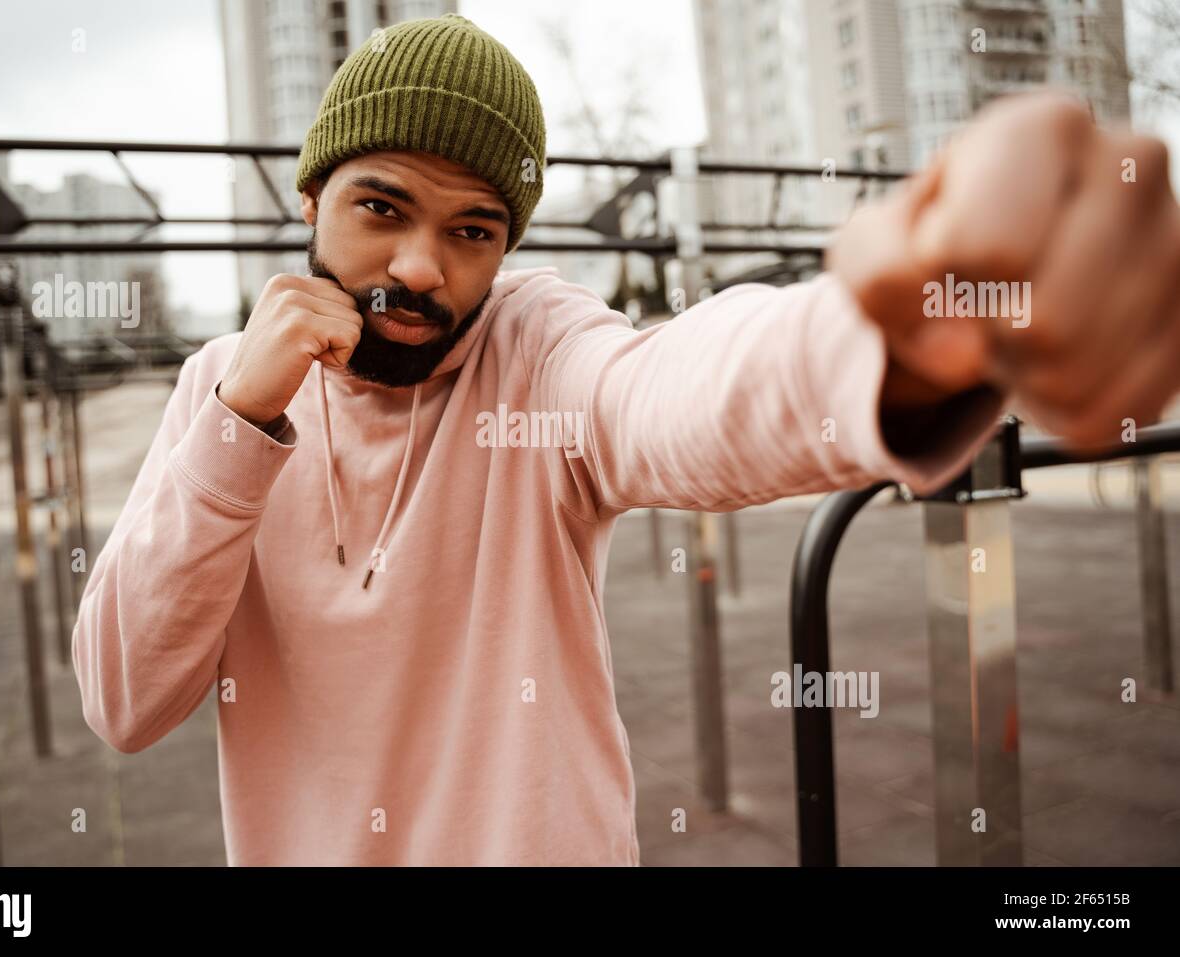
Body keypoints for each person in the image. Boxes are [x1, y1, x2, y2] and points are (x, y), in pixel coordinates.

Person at [72, 13, 1180, 865]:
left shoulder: (536, 350)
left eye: (471, 231)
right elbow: (126, 700)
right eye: (380, 207)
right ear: (312, 197)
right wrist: (237, 430)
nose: (420, 266)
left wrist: (902, 338)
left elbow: (675, 392)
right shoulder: (219, 389)